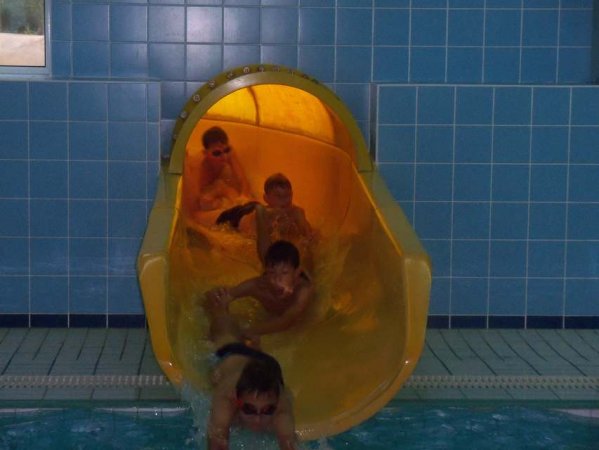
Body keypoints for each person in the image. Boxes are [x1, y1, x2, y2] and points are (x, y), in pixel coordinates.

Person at [204, 298, 298, 450]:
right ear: (237, 399)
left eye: (268, 411)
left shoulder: (281, 408)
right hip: (232, 354)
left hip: (267, 363)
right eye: (249, 409)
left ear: (276, 404)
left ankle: (255, 346)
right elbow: (217, 440)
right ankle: (220, 307)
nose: (257, 420)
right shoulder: (226, 398)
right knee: (222, 330)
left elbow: (289, 444)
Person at [206, 240, 314, 340]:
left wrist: (247, 331)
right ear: (266, 273)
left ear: (296, 274)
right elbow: (216, 297)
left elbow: (288, 320)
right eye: (272, 272)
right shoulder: (258, 286)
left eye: (284, 273)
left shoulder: (303, 290)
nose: (277, 279)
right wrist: (222, 316)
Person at [194, 126, 253, 212]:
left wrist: (244, 197)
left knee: (227, 189)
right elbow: (195, 204)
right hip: (206, 191)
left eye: (226, 150)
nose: (224, 156)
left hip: (218, 186)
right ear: (205, 153)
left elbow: (242, 180)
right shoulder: (199, 167)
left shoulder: (229, 154)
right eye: (217, 153)